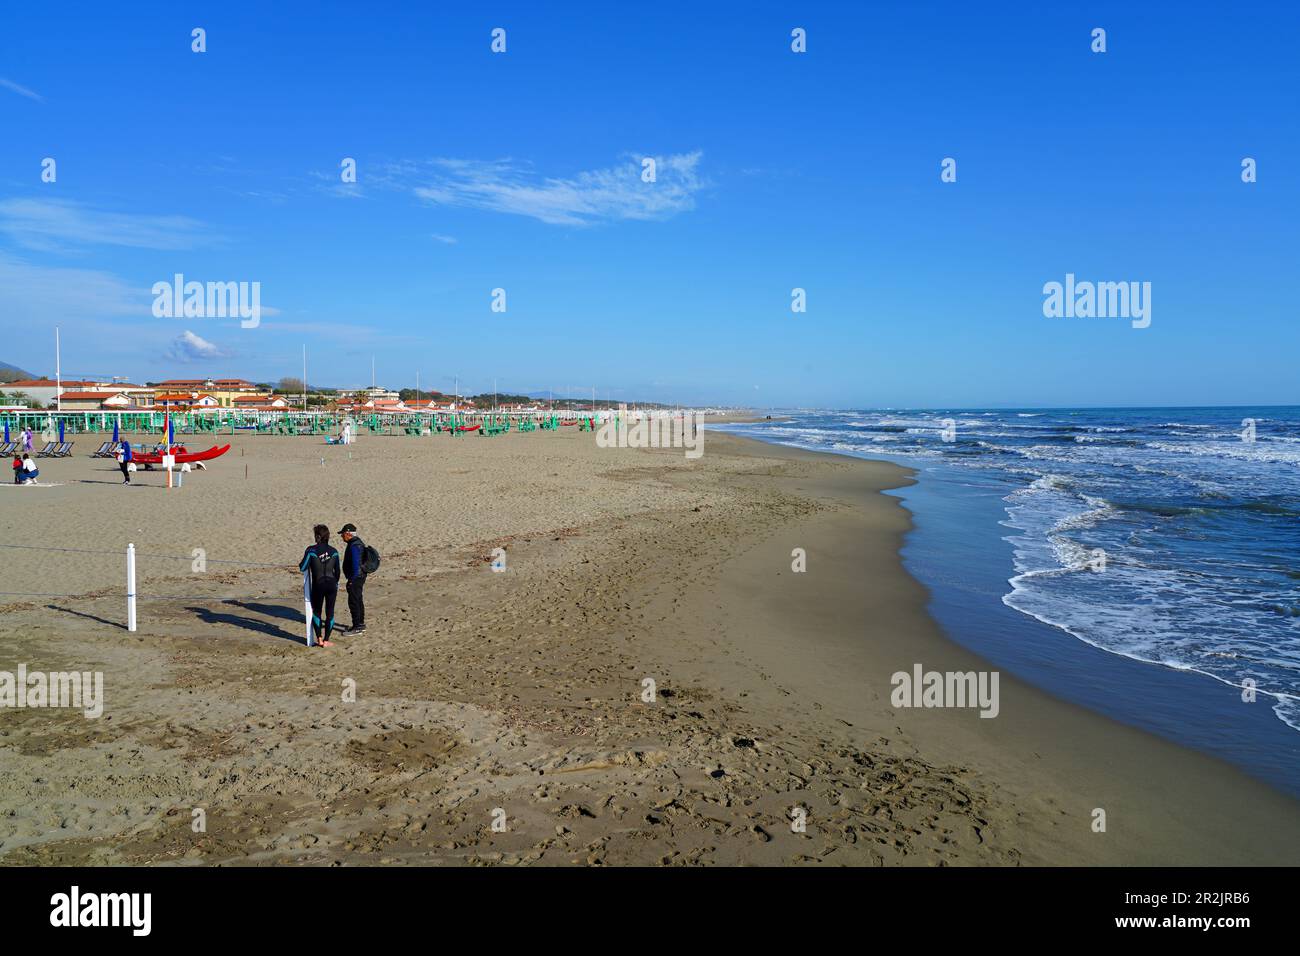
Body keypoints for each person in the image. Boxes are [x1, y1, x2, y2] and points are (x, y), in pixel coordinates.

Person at [299, 524, 341, 647]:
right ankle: (327, 640)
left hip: (318, 585)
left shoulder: (311, 550)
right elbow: (337, 572)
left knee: (317, 612)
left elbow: (303, 567)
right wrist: (335, 583)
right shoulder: (334, 551)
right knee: (330, 612)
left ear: (317, 536)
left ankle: (320, 639)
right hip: (332, 585)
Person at [340, 522, 367, 633]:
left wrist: (351, 580)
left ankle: (356, 626)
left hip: (356, 578)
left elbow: (355, 564)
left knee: (354, 601)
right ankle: (360, 624)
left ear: (348, 534)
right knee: (358, 599)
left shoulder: (354, 545)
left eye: (343, 534)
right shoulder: (358, 543)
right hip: (360, 576)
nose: (342, 536)